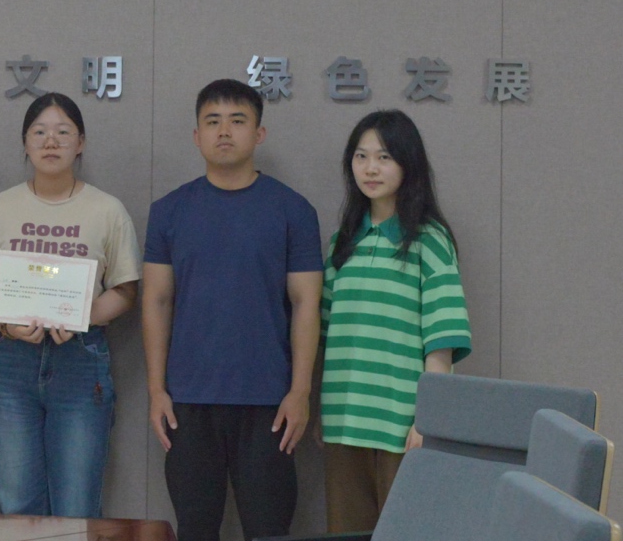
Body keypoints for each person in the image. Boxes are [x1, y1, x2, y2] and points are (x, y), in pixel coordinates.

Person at [141, 79, 322, 541]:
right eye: (213, 121)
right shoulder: (169, 211)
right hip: (188, 401)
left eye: (237, 121)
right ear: (196, 135)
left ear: (259, 133)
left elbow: (306, 303)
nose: (224, 131)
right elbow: (157, 300)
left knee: (269, 530)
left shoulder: (293, 210)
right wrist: (157, 390)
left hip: (269, 401)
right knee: (195, 529)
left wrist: (300, 391)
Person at [0, 92, 141, 519]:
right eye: (39, 132)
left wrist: (82, 316)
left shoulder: (107, 210)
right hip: (11, 364)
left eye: (63, 132)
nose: (51, 141)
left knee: (76, 502)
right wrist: (6, 326)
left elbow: (126, 290)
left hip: (81, 360)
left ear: (81, 143)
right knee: (16, 499)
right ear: (25, 143)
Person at [319, 109, 472, 532]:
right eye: (361, 156)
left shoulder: (430, 240)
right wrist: (318, 411)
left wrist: (427, 419)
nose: (370, 168)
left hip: (402, 424)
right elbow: (324, 335)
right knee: (346, 531)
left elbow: (441, 343)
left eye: (384, 157)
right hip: (344, 422)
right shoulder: (341, 244)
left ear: (409, 164)